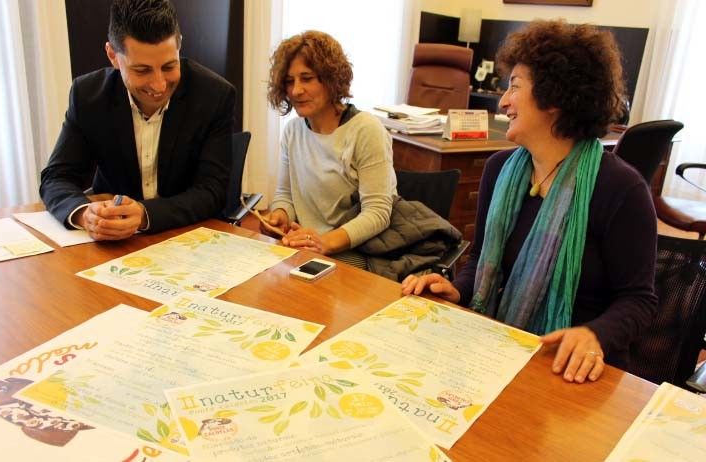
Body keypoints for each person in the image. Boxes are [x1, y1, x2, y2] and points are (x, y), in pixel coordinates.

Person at [402, 20, 657, 384]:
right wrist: (457, 289)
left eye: (515, 87)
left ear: (555, 98)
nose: (503, 101)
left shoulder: (620, 188)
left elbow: (639, 301)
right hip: (505, 350)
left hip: (579, 370)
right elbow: (481, 260)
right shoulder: (499, 170)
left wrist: (594, 333)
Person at [40, 0, 235, 240]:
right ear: (113, 55)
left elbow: (213, 191)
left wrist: (144, 214)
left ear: (179, 44)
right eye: (142, 70)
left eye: (168, 66)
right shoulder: (88, 95)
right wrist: (85, 214)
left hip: (185, 236)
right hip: (112, 244)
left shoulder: (215, 95)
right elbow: (56, 177)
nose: (159, 85)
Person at [262, 30, 397, 267]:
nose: (296, 91)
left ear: (331, 79)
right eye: (289, 81)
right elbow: (285, 196)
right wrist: (280, 216)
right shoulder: (292, 131)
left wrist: (324, 242)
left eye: (307, 78)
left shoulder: (366, 130)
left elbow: (377, 213)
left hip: (357, 254)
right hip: (308, 248)